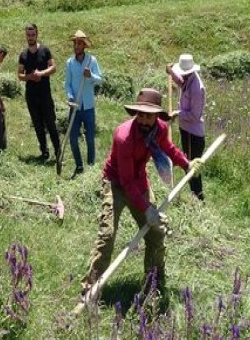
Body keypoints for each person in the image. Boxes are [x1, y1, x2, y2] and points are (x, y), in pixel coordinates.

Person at [81, 88, 198, 297]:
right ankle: (91, 286)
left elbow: (168, 148)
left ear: (156, 117)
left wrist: (186, 164)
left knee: (155, 233)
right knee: (107, 235)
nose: (144, 120)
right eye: (141, 115)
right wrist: (146, 209)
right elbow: (125, 181)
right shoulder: (124, 136)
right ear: (136, 114)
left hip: (139, 181)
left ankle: (154, 280)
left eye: (149, 116)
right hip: (116, 183)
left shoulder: (160, 129)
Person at [17, 23, 60, 162]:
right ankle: (44, 152)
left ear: (37, 34)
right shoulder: (23, 55)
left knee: (50, 124)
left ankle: (58, 152)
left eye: (33, 35)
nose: (30, 37)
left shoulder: (45, 50)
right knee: (38, 125)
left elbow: (53, 67)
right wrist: (30, 76)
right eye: (28, 35)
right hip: (31, 96)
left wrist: (41, 73)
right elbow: (20, 75)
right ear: (26, 36)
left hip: (45, 95)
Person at [166, 54, 206, 200]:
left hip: (193, 134)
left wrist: (178, 113)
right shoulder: (189, 79)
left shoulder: (197, 88)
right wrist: (171, 72)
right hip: (186, 131)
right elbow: (181, 82)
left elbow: (195, 115)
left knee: (191, 168)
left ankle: (198, 198)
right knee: (188, 164)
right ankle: (194, 195)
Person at [64, 30, 102, 177]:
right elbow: (67, 84)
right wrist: (70, 96)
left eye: (80, 43)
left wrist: (90, 75)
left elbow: (100, 79)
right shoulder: (69, 63)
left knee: (90, 138)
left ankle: (91, 166)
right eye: (75, 43)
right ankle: (79, 165)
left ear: (84, 45)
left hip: (88, 107)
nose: (77, 46)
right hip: (75, 107)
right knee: (73, 137)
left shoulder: (91, 61)